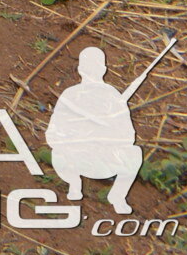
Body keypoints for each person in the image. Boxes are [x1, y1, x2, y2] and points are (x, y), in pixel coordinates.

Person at [47, 45, 144, 214]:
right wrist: (76, 137)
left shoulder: (113, 96)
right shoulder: (70, 95)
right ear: (81, 69)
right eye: (88, 67)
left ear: (103, 69)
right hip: (75, 159)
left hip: (103, 159)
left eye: (94, 66)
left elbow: (128, 136)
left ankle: (117, 196)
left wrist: (106, 135)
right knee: (58, 152)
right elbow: (53, 134)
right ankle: (74, 184)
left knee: (134, 153)